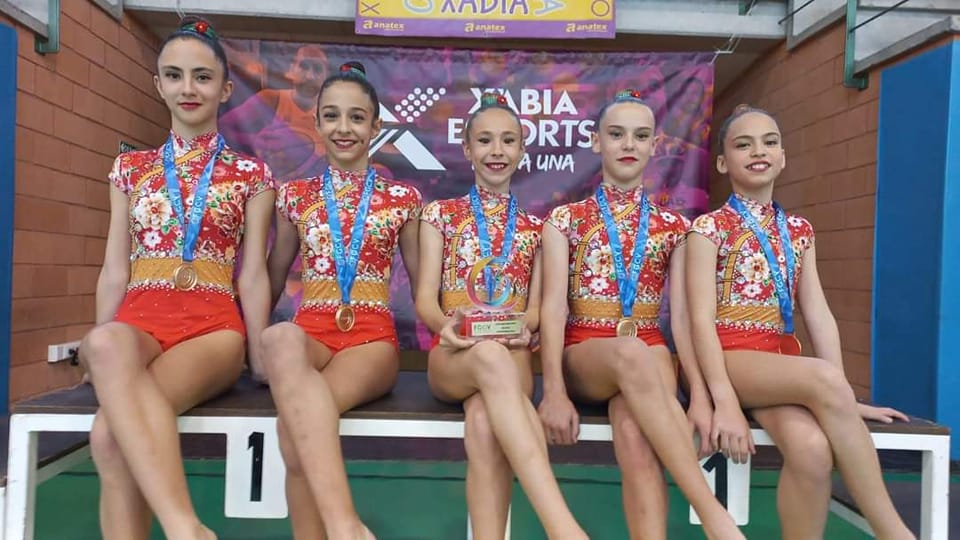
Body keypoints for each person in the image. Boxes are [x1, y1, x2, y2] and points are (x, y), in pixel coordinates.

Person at [80, 16, 275, 540]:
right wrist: (100, 353)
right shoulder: (130, 169)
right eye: (174, 75)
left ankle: (183, 527)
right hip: (137, 322)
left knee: (109, 436)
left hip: (212, 329)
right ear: (158, 84)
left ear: (225, 89)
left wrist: (258, 355)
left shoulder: (252, 175)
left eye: (202, 77)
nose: (188, 88)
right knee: (102, 343)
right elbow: (115, 266)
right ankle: (186, 527)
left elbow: (253, 274)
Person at [686, 104, 913, 540]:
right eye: (743, 144)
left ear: (783, 157)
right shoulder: (708, 229)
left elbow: (818, 312)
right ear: (722, 163)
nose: (759, 151)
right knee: (822, 380)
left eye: (769, 142)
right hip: (727, 357)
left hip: (777, 366)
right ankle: (895, 533)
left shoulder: (800, 230)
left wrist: (841, 396)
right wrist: (723, 399)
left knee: (812, 450)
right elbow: (699, 319)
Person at [538, 90, 744, 539]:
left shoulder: (675, 227)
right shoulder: (564, 220)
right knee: (633, 353)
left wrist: (701, 397)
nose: (628, 144)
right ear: (596, 141)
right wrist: (553, 390)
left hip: (650, 352)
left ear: (654, 145)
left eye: (640, 135)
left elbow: (683, 321)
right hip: (586, 353)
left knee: (635, 437)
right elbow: (552, 310)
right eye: (616, 134)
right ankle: (714, 516)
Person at [260, 61, 421, 540]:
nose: (344, 128)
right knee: (279, 337)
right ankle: (346, 528)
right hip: (310, 332)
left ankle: (343, 528)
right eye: (332, 116)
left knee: (295, 427)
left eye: (356, 117)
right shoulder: (294, 196)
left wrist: (458, 330)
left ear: (375, 125)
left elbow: (424, 283)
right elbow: (273, 275)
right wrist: (249, 345)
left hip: (369, 342)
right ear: (317, 122)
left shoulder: (403, 199)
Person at [416, 92, 588, 540]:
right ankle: (563, 527)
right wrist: (448, 327)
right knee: (487, 358)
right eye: (485, 140)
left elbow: (534, 312)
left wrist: (518, 328)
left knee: (483, 423)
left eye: (508, 141)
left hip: (511, 355)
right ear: (467, 148)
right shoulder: (439, 215)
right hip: (453, 356)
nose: (497, 151)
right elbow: (425, 301)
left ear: (522, 150)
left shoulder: (537, 228)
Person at [220, 45, 330, 179]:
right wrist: (253, 141)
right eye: (304, 66)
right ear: (291, 69)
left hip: (315, 187)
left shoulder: (332, 110)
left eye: (317, 69)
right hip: (271, 185)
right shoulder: (271, 99)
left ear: (326, 75)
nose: (310, 76)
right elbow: (223, 127)